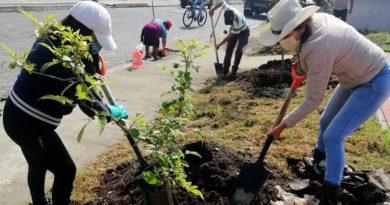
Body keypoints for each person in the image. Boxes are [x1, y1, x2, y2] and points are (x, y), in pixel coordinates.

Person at [260, 0, 390, 204]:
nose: (281, 41)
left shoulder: (319, 45)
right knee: (326, 120)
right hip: (352, 76)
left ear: (300, 27)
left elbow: (313, 99)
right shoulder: (313, 25)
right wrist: (302, 62)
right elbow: (312, 56)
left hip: (374, 80)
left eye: (284, 36)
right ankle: (320, 163)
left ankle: (330, 193)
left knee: (333, 136)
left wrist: (283, 125)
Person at [2, 1, 128, 205]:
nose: (97, 45)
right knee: (66, 170)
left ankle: (39, 202)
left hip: (15, 114)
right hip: (29, 125)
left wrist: (92, 60)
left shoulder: (53, 36)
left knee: (38, 164)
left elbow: (85, 72)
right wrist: (111, 111)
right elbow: (91, 107)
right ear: (84, 32)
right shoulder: (68, 61)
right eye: (96, 39)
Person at [209, 0, 250, 80]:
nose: (230, 24)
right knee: (228, 50)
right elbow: (222, 2)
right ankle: (225, 71)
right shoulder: (228, 9)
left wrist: (219, 45)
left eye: (230, 23)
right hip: (234, 30)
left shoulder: (237, 22)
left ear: (233, 18)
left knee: (239, 50)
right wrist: (212, 9)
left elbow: (230, 36)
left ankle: (234, 71)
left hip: (243, 32)